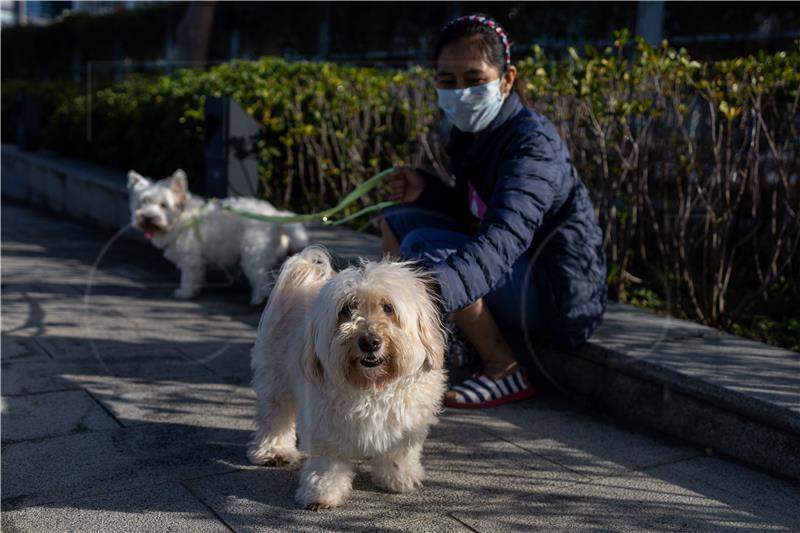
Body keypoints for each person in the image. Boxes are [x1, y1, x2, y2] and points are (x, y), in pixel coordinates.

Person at [381, 14, 607, 409]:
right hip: (519, 271)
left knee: (426, 249)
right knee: (397, 222)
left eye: (474, 79)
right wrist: (428, 191)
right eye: (447, 82)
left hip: (558, 294)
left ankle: (504, 368)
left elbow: (501, 239)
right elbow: (476, 212)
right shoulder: (477, 133)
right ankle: (433, 343)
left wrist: (429, 295)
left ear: (506, 79)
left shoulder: (533, 145)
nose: (460, 93)